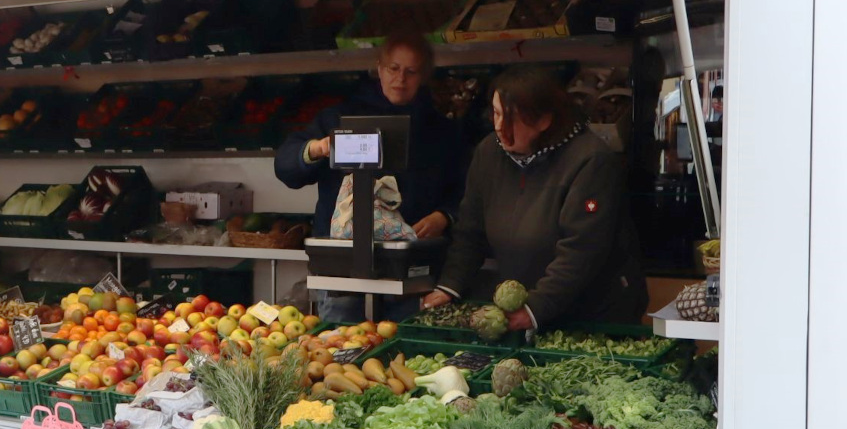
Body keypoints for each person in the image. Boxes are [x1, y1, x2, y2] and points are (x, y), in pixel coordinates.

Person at [423, 65, 647, 329]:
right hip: (530, 310)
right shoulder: (488, 153)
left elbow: (580, 251)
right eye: (496, 114)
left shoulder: (591, 161)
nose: (500, 127)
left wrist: (535, 308)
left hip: (595, 316)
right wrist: (450, 286)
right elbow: (470, 231)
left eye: (512, 118)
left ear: (544, 120)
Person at [275, 35, 466, 240]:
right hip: (342, 252)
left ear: (424, 76)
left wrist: (444, 217)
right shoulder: (338, 119)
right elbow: (285, 169)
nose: (401, 79)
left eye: (411, 72)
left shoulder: (443, 132)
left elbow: (465, 190)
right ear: (380, 69)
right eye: (394, 68)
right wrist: (316, 148)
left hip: (411, 251)